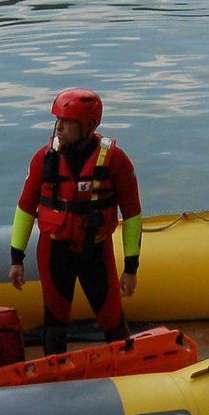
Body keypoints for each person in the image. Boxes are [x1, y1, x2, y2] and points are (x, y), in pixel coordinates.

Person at [8, 88, 143, 355]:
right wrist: (16, 258)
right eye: (57, 120)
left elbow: (132, 215)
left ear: (89, 126)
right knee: (55, 323)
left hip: (96, 251)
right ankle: (55, 379)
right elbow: (25, 208)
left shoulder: (115, 161)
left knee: (112, 320)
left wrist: (131, 267)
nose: (59, 127)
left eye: (67, 122)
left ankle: (127, 376)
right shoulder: (43, 159)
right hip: (54, 251)